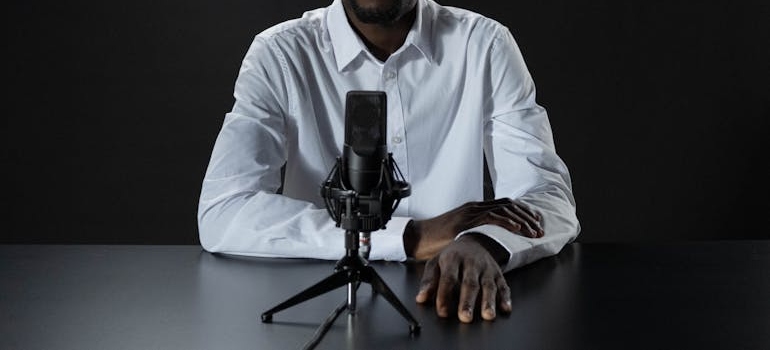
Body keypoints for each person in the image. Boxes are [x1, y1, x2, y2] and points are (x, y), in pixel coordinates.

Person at [197, 0, 580, 324]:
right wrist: (410, 236)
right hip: (321, 307)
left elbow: (549, 198)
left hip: (450, 307)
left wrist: (485, 241)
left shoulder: (484, 44)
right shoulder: (280, 54)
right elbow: (225, 211)